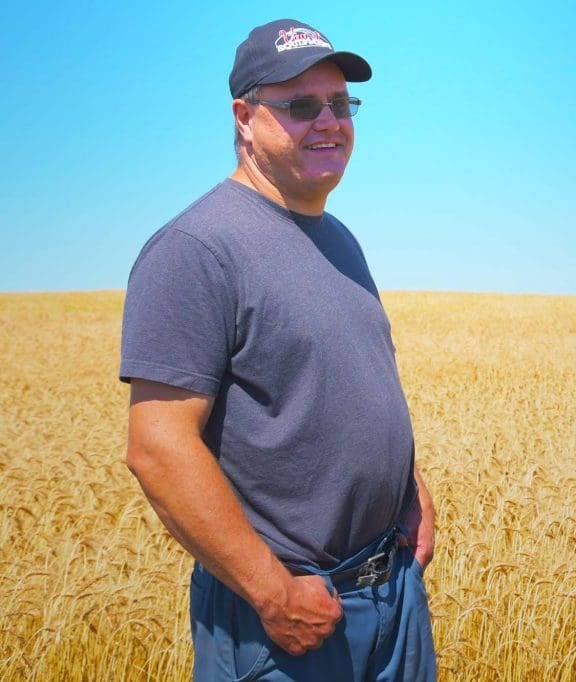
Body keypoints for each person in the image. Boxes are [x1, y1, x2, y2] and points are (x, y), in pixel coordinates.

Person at [119, 18, 437, 681]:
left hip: (392, 595)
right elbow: (158, 445)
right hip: (289, 623)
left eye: (342, 103)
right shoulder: (196, 249)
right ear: (244, 118)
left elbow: (333, 389)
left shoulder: (339, 238)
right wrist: (272, 593)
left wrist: (405, 485)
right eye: (301, 105)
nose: (330, 121)